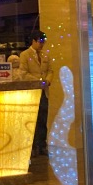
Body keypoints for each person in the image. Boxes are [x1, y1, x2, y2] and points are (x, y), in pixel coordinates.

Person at [19, 29, 53, 157]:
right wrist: (38, 81)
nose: (42, 44)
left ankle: (42, 145)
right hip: (32, 91)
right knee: (32, 120)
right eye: (40, 42)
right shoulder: (25, 55)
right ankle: (32, 147)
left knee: (43, 120)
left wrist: (47, 81)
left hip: (44, 91)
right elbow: (23, 73)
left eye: (43, 42)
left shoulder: (45, 55)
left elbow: (50, 70)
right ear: (33, 41)